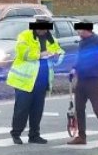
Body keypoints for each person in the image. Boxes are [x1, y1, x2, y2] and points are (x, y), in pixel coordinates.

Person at [6, 16, 64, 144]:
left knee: (37, 110)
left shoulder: (51, 39)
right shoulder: (25, 36)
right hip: (24, 81)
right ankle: (16, 133)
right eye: (41, 28)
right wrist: (40, 54)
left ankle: (34, 135)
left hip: (42, 81)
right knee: (22, 109)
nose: (43, 31)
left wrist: (56, 56)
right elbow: (23, 53)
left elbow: (60, 53)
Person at [68, 22, 98, 147]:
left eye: (80, 30)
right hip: (82, 79)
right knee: (79, 109)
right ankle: (81, 136)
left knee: (97, 109)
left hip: (94, 80)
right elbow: (80, 58)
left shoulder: (97, 41)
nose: (78, 33)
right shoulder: (81, 42)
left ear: (87, 30)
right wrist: (74, 68)